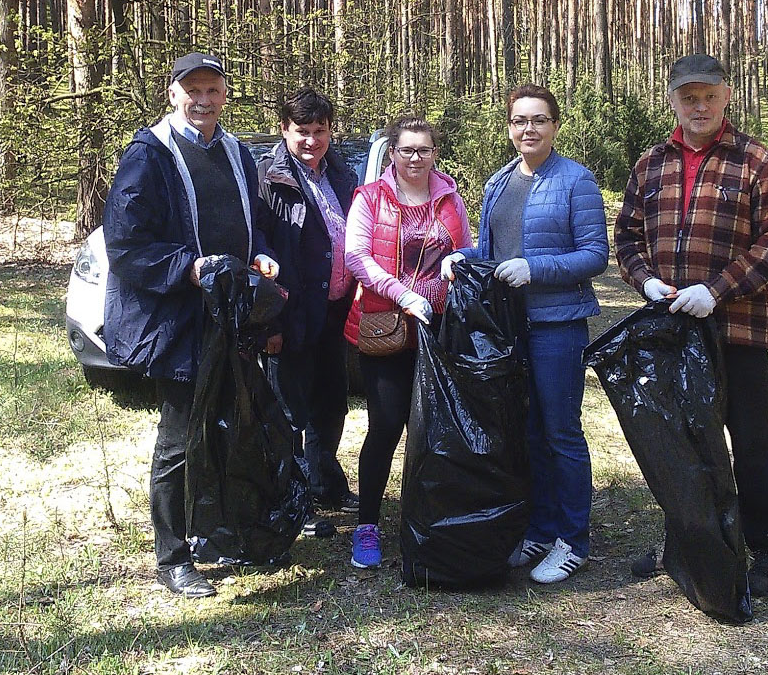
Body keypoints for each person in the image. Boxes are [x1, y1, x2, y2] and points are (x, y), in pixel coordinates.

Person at [614, 53, 768, 597]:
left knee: (753, 440)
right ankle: (688, 541)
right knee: (681, 442)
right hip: (670, 330)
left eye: (709, 96)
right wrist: (645, 282)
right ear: (672, 99)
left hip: (737, 328)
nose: (700, 106)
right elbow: (625, 237)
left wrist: (715, 291)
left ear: (727, 96)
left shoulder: (756, 162)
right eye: (689, 97)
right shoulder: (650, 164)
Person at [102, 51, 279, 599]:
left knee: (231, 424)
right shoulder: (148, 155)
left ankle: (218, 532)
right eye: (193, 91)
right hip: (181, 318)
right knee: (180, 436)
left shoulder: (236, 153)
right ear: (173, 93)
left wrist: (261, 255)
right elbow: (127, 244)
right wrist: (191, 267)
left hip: (232, 315)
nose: (204, 101)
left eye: (214, 90)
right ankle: (173, 556)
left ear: (226, 94)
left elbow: (254, 220)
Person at [443, 83, 609, 584]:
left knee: (561, 432)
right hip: (509, 326)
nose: (528, 129)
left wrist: (535, 269)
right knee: (528, 430)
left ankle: (572, 541)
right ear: (509, 127)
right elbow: (493, 251)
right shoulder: (498, 183)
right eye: (519, 120)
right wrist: (462, 257)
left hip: (557, 326)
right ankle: (539, 528)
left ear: (555, 126)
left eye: (538, 120)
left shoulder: (575, 181)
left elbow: (595, 255)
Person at [342, 115, 473, 569]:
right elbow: (356, 256)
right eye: (407, 150)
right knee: (386, 426)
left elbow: (467, 249)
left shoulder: (449, 195)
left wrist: (461, 261)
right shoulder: (370, 198)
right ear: (392, 153)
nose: (416, 158)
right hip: (387, 328)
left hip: (438, 331)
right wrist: (403, 295)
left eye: (424, 150)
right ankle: (367, 525)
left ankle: (427, 518)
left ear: (436, 152)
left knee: (435, 428)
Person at [256, 88, 360, 539]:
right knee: (288, 410)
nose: (312, 141)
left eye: (320, 131)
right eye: (302, 131)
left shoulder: (342, 173)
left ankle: (325, 483)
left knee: (330, 403)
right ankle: (290, 497)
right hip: (291, 313)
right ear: (284, 130)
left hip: (335, 309)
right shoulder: (268, 178)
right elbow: (258, 249)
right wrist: (270, 323)